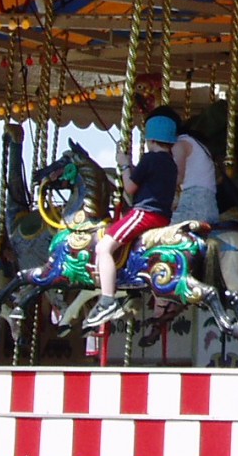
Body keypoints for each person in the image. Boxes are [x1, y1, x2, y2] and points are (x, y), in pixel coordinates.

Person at [87, 112, 182, 326]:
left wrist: (123, 165)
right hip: (163, 217)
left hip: (144, 213)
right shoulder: (171, 164)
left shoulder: (150, 159)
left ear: (150, 140)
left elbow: (130, 187)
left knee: (103, 247)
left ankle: (107, 299)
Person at [155, 105, 221, 227]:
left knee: (160, 230)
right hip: (206, 203)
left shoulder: (180, 144)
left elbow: (178, 177)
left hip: (195, 204)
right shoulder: (192, 141)